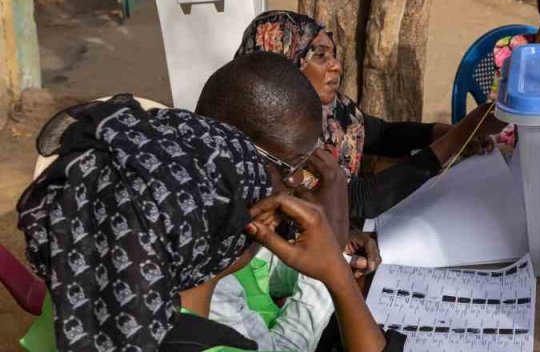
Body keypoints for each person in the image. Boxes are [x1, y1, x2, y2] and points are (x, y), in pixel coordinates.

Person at [16, 95, 399, 352]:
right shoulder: (220, 347)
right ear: (229, 239)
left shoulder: (81, 283)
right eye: (261, 208)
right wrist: (336, 278)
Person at [236, 11, 492, 222]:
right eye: (320, 56)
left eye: (333, 54)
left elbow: (379, 134)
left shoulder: (329, 112)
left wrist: (438, 132)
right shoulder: (273, 139)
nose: (336, 65)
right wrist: (459, 136)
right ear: (283, 64)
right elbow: (357, 199)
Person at [196, 52, 377, 352]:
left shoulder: (230, 225)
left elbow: (266, 271)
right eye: (288, 166)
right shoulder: (201, 271)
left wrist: (330, 256)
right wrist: (332, 274)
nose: (295, 180)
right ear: (238, 156)